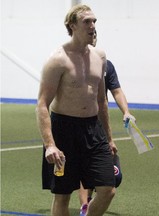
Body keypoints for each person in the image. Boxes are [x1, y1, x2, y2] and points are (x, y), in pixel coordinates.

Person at [36, 4, 117, 216]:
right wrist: (50, 145)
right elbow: (42, 104)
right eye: (87, 22)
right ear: (72, 25)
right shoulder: (57, 59)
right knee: (62, 195)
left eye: (94, 21)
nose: (93, 26)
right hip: (64, 130)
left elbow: (102, 101)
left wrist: (109, 139)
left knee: (108, 190)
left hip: (93, 129)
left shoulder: (100, 56)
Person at [79, 30, 136, 215]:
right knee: (82, 167)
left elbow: (116, 91)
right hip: (77, 123)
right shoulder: (72, 63)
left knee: (108, 172)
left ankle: (91, 204)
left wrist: (126, 111)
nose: (93, 36)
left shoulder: (106, 65)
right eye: (89, 32)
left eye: (95, 34)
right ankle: (85, 206)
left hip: (99, 124)